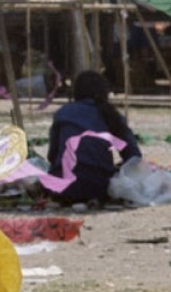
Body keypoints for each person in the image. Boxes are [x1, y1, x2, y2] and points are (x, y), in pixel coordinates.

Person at [44, 71, 142, 205]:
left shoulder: (63, 113)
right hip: (99, 187)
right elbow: (134, 156)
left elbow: (52, 156)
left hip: (63, 188)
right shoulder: (112, 116)